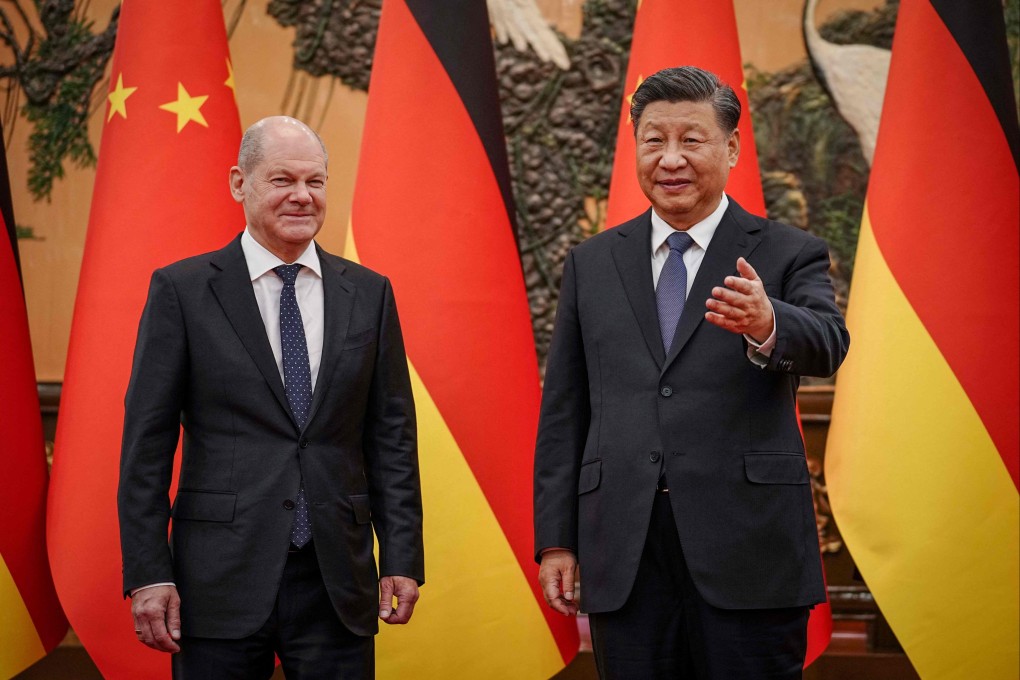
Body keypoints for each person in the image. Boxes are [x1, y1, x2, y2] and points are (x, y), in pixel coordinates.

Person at [533, 66, 850, 679]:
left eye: (691, 140)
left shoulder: (787, 251)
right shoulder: (592, 263)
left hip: (748, 550)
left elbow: (830, 344)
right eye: (654, 140)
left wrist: (768, 322)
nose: (671, 158)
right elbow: (566, 411)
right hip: (625, 550)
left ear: (731, 148)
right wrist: (556, 539)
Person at [118, 116, 424, 679]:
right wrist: (148, 571)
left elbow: (392, 439)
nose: (302, 196)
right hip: (217, 579)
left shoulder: (369, 293)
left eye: (315, 181)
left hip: (337, 579)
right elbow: (146, 446)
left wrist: (402, 557)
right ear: (240, 183)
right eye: (283, 180)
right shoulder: (182, 290)